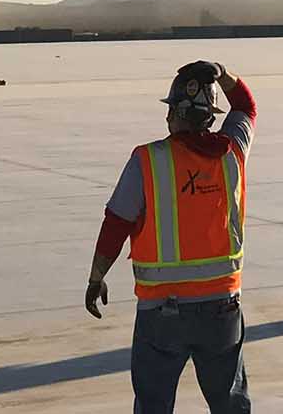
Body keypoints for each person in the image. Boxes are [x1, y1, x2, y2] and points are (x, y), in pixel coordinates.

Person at [85, 59, 256, 414]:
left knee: (153, 404)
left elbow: (116, 223)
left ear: (174, 114)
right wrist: (221, 73)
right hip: (222, 308)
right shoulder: (233, 153)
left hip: (162, 312)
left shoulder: (148, 160)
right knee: (229, 404)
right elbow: (245, 107)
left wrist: (96, 276)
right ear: (211, 115)